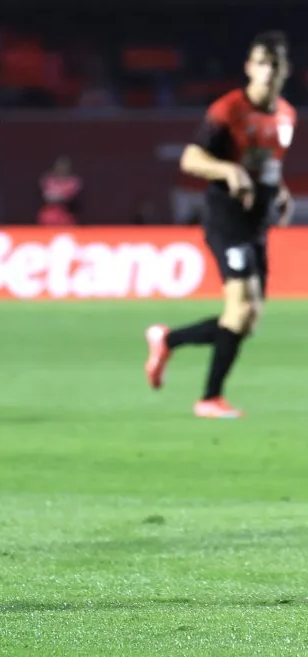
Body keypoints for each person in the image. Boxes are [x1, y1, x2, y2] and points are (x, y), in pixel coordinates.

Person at [145, 31, 296, 418]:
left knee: (248, 319)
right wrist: (227, 169)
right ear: (249, 67)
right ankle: (209, 398)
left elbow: (265, 164)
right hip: (226, 217)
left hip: (257, 222)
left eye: (275, 63)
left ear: (285, 70)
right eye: (261, 62)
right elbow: (191, 159)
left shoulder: (286, 115)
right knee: (239, 307)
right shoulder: (228, 109)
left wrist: (279, 191)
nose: (268, 70)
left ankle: (168, 339)